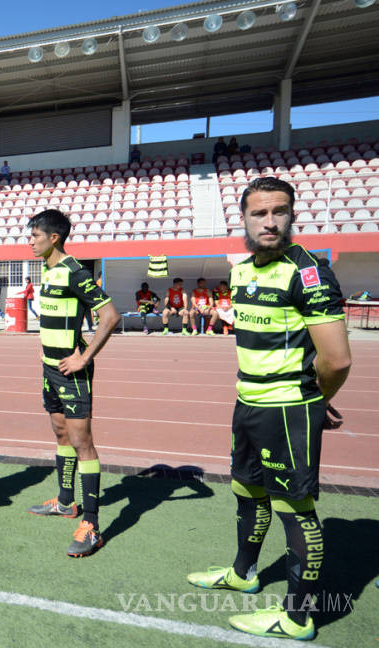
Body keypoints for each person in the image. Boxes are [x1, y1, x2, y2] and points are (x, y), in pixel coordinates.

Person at [186, 177, 351, 640]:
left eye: (279, 211)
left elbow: (337, 359)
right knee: (246, 491)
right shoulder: (242, 270)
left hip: (287, 410)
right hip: (248, 404)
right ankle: (244, 572)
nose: (270, 221)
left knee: (296, 510)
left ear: (291, 216)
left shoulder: (308, 273)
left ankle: (297, 617)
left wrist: (318, 401)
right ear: (243, 219)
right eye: (259, 213)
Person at [26, 209, 120, 558]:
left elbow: (110, 316)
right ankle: (66, 502)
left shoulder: (74, 272)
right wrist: (42, 346)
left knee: (82, 442)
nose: (30, 241)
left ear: (54, 238)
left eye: (34, 235)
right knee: (61, 433)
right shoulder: (48, 270)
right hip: (50, 369)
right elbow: (54, 316)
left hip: (72, 372)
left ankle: (92, 526)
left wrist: (85, 357)